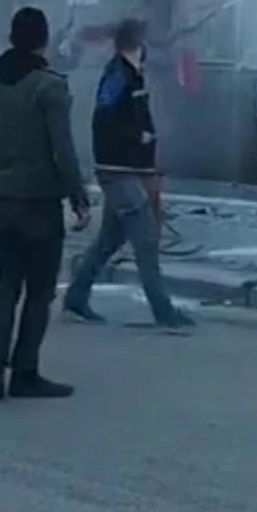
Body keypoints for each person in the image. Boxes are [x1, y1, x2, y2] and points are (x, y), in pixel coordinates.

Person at [0, 6, 90, 401]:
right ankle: (25, 372)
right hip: (39, 203)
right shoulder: (49, 87)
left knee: (6, 285)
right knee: (39, 291)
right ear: (42, 40)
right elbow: (64, 151)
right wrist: (79, 198)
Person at [62, 18, 194, 331]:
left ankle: (76, 299)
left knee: (108, 240)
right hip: (118, 172)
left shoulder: (131, 75)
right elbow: (105, 117)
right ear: (137, 44)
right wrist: (138, 137)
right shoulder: (118, 75)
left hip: (127, 170)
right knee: (146, 238)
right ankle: (163, 312)